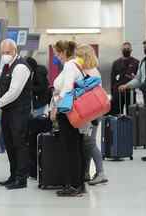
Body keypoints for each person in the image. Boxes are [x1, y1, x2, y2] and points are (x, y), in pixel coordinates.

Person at [0, 39, 32, 190]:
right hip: (9, 111)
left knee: (19, 144)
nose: (5, 55)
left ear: (15, 51)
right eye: (3, 53)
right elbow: (5, 75)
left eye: (7, 52)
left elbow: (14, 92)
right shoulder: (8, 66)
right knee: (9, 143)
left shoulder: (21, 67)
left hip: (19, 112)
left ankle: (21, 179)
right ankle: (13, 175)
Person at [51, 40, 84, 197]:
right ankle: (77, 184)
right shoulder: (75, 65)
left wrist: (57, 107)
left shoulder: (70, 66)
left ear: (63, 52)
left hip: (67, 112)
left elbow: (67, 88)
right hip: (73, 111)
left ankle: (73, 185)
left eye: (57, 53)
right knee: (74, 147)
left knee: (70, 148)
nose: (56, 56)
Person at [75, 44, 108, 186]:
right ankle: (86, 172)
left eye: (78, 55)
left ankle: (100, 173)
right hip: (92, 111)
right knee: (87, 143)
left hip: (91, 112)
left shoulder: (90, 72)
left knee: (89, 143)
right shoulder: (91, 70)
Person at [110, 42, 139, 114]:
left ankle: (131, 125)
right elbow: (112, 78)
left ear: (131, 50)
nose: (126, 50)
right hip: (118, 91)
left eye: (128, 48)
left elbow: (138, 77)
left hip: (130, 91)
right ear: (121, 49)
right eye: (124, 48)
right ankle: (118, 125)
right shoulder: (116, 63)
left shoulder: (136, 62)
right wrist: (112, 93)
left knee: (131, 113)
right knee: (117, 113)